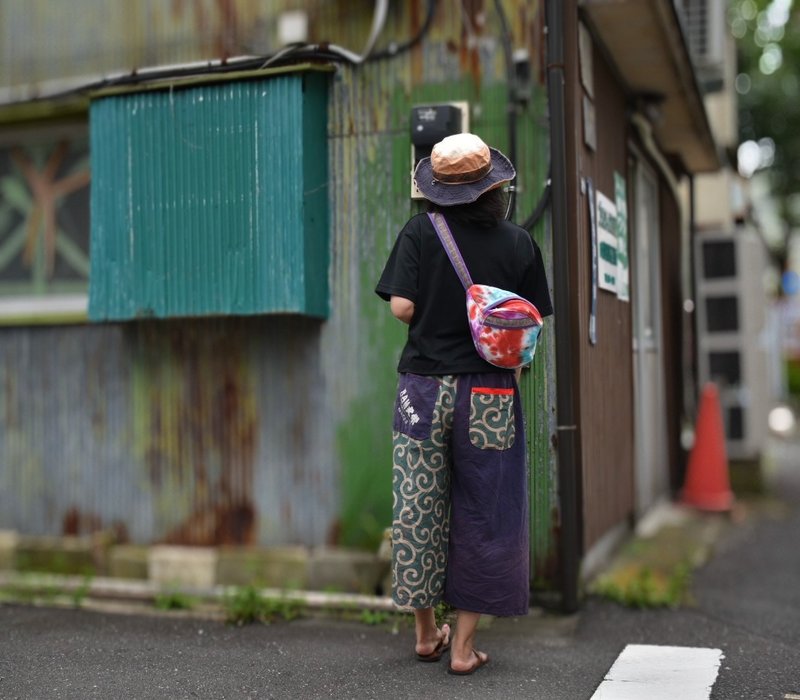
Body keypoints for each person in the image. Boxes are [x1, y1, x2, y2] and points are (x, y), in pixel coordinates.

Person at [375, 132, 553, 675]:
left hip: (423, 390)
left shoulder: (419, 232)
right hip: (490, 392)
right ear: (493, 189)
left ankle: (427, 634)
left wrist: (436, 309)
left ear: (438, 191)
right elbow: (532, 324)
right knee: (487, 510)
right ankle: (463, 648)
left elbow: (401, 307)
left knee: (418, 505)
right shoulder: (518, 243)